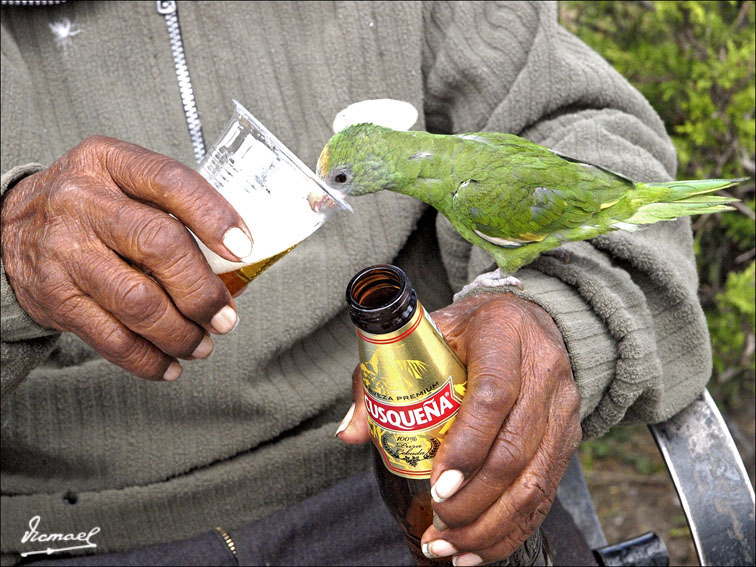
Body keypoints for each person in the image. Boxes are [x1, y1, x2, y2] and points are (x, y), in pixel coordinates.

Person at [1, 2, 713, 565]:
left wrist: (553, 315)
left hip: (418, 473)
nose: (321, 194)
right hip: (77, 530)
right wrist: (13, 263)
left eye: (334, 182)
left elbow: (590, 131)